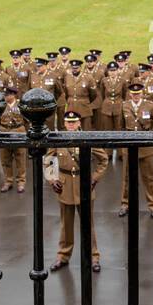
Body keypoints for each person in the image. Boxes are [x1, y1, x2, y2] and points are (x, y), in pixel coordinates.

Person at [49, 111, 110, 273]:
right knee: (66, 225)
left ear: (79, 123)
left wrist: (95, 178)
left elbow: (104, 159)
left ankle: (93, 256)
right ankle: (63, 256)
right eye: (68, 122)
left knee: (87, 224)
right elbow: (48, 160)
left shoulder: (87, 138)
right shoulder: (57, 139)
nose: (70, 125)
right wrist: (52, 179)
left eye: (73, 122)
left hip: (84, 185)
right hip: (65, 185)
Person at [118, 82, 153, 218]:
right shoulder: (125, 106)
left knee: (149, 178)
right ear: (130, 94)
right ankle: (125, 204)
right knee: (126, 178)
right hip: (129, 148)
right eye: (133, 94)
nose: (136, 96)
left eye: (138, 94)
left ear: (142, 93)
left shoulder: (149, 105)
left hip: (146, 149)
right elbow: (121, 126)